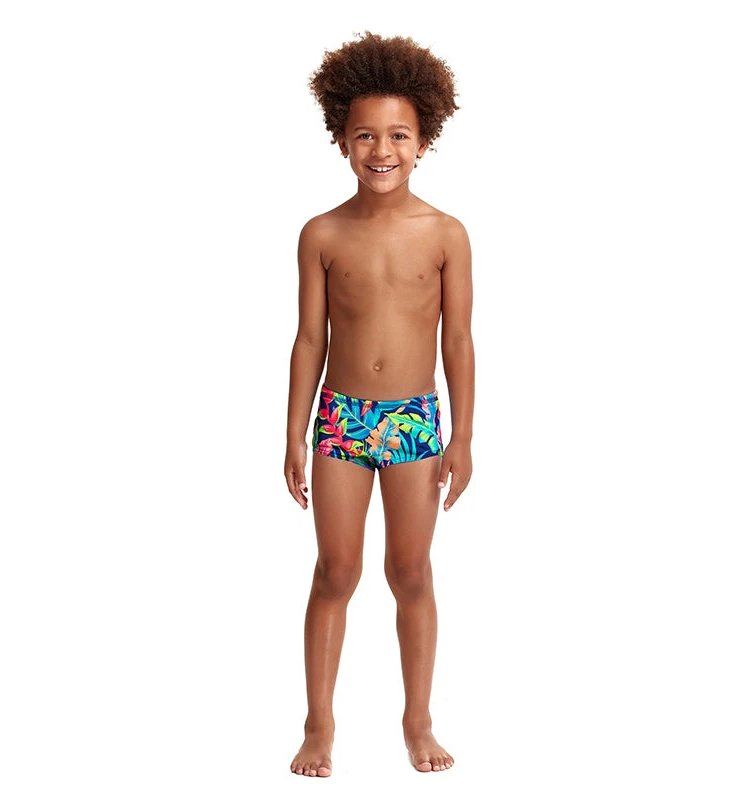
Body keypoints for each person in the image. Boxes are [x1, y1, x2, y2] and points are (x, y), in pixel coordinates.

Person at [284, 31, 474, 777]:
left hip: (413, 422)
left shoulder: (446, 234)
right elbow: (309, 339)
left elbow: (458, 341)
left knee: (411, 573)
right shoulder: (322, 233)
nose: (382, 149)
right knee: (336, 571)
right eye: (365, 134)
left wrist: (463, 437)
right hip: (341, 421)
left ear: (423, 142)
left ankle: (418, 720)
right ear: (342, 141)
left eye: (398, 135)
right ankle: (318, 724)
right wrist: (294, 434)